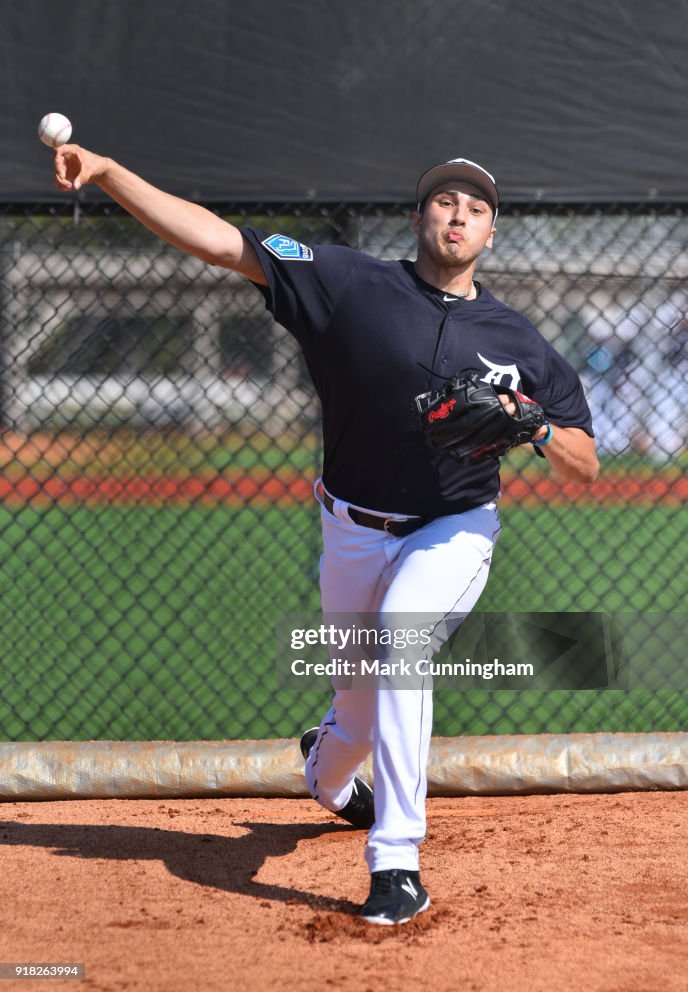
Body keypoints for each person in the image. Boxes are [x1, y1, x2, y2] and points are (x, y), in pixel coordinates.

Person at [53, 149, 599, 925]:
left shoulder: (518, 341)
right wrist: (108, 173)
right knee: (356, 711)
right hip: (349, 529)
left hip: (455, 527)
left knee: (402, 642)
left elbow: (584, 461)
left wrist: (536, 423)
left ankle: (396, 860)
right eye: (444, 202)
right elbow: (216, 240)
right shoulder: (348, 284)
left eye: (475, 209)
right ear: (418, 220)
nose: (458, 216)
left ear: (491, 234)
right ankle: (330, 775)